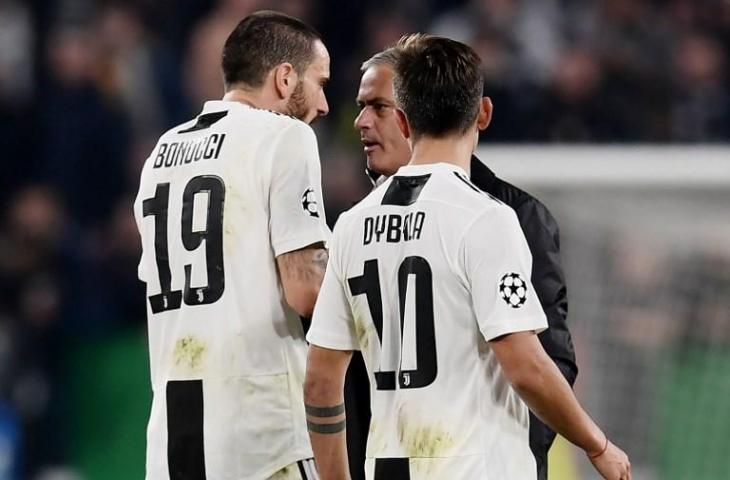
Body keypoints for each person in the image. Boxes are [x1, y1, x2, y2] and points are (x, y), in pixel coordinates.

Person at [304, 34, 630, 480]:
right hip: (471, 465)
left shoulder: (352, 225)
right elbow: (526, 365)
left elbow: (321, 381)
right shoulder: (485, 219)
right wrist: (598, 445)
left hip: (387, 465)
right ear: (484, 113)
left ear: (403, 119)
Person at [347, 43, 578, 480]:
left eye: (379, 107)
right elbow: (343, 377)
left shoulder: (513, 216)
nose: (362, 122)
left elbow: (548, 362)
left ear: (410, 115)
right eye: (361, 107)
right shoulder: (355, 226)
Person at [134, 11, 330, 480]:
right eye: (319, 82)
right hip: (258, 433)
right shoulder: (285, 137)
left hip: (172, 435)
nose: (323, 103)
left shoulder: (161, 153)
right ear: (285, 78)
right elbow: (307, 291)